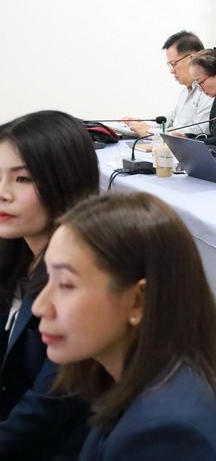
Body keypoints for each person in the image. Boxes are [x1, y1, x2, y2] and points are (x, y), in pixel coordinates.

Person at [32, 192, 216, 460]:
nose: (40, 306)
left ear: (138, 301)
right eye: (48, 278)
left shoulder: (162, 434)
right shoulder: (152, 372)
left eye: (66, 285)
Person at [0, 110, 97, 459]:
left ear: (65, 181)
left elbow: (45, 410)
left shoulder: (83, 279)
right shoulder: (15, 252)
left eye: (22, 179)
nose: (3, 193)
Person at [122, 31, 214, 137]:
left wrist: (149, 131)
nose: (172, 71)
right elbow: (170, 121)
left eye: (174, 64)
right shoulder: (185, 92)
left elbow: (197, 131)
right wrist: (141, 124)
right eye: (170, 65)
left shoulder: (209, 91)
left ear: (192, 59)